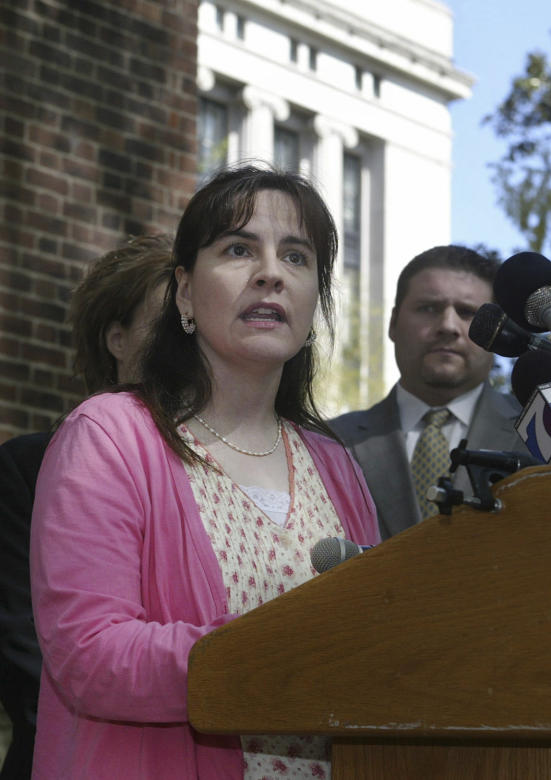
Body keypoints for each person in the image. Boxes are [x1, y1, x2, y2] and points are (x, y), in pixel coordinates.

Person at [29, 165, 379, 779]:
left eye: (296, 257)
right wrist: (277, 649)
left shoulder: (337, 465)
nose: (271, 272)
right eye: (239, 249)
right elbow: (90, 656)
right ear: (185, 293)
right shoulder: (110, 436)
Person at [0, 234, 174, 780]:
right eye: (166, 322)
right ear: (116, 339)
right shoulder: (28, 466)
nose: (183, 340)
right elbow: (24, 641)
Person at [330, 245, 524, 540]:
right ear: (393, 323)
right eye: (429, 308)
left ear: (498, 334)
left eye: (468, 312)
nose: (448, 326)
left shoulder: (541, 437)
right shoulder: (329, 444)